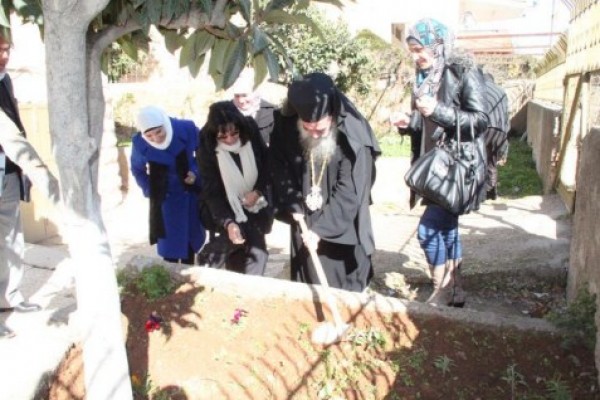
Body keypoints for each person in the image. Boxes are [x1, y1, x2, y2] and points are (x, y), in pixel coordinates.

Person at [391, 18, 488, 307]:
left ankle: (442, 289)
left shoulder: (463, 72)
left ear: (437, 45)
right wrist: (409, 122)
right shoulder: (424, 77)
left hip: (455, 167)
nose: (416, 56)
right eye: (412, 51)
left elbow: (479, 121)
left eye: (420, 49)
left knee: (428, 229)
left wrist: (438, 110)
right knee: (447, 228)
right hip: (433, 166)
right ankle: (456, 290)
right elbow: (427, 125)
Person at [270, 72, 381, 293]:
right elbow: (278, 165)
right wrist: (292, 202)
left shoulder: (353, 136)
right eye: (307, 128)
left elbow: (351, 189)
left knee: (341, 286)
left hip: (342, 220)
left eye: (320, 129)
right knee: (307, 283)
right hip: (304, 214)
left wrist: (321, 230)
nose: (314, 135)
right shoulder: (287, 124)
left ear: (332, 116)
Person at [0, 33, 60, 338]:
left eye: (7, 49)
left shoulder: (5, 81)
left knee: (11, 239)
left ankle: (8, 297)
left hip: (8, 173)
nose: (4, 56)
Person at [196, 101, 272, 275]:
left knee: (258, 254)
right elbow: (212, 192)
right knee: (236, 250)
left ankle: (250, 289)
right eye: (222, 137)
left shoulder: (250, 129)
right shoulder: (206, 145)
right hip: (226, 205)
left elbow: (267, 164)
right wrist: (228, 223)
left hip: (255, 204)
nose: (230, 140)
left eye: (234, 133)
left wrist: (258, 191)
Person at [131, 106, 206, 264]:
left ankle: (188, 271)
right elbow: (137, 169)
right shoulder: (139, 143)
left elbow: (205, 155)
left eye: (159, 131)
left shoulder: (186, 129)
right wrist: (150, 189)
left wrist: (195, 172)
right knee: (169, 244)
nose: (156, 138)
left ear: (164, 124)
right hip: (164, 197)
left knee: (189, 242)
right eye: (149, 135)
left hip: (189, 191)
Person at [481, 72, 510, 200]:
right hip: (499, 130)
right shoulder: (501, 92)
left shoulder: (479, 88)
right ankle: (491, 192)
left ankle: (479, 193)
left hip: (483, 127)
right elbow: (506, 116)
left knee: (479, 159)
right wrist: (505, 146)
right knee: (492, 161)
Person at [231, 68, 276, 146]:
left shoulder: (272, 113)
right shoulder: (224, 111)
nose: (241, 100)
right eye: (237, 96)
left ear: (255, 93)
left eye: (245, 95)